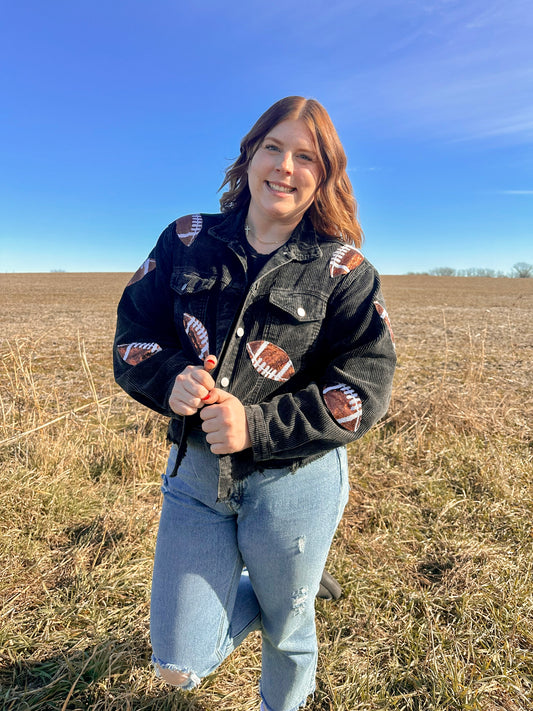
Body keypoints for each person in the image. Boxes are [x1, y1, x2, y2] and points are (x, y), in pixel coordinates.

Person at [113, 96, 396, 711]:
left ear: (324, 176)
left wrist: (258, 426)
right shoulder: (186, 240)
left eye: (306, 157)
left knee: (288, 630)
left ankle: (286, 638)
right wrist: (169, 381)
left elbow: (365, 386)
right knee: (178, 667)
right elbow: (134, 334)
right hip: (197, 473)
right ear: (249, 155)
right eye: (274, 147)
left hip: (296, 480)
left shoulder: (344, 269)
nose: (285, 167)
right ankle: (284, 586)